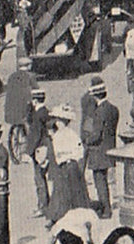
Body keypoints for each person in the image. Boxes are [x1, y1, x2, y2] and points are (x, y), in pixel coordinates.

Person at [46, 105, 91, 224]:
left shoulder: (70, 134)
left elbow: (80, 151)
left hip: (70, 166)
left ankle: (71, 215)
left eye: (59, 120)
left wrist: (69, 156)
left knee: (71, 191)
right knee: (61, 191)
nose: (57, 123)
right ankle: (60, 215)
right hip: (63, 166)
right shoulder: (57, 135)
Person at [80, 77, 118, 217]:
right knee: (105, 181)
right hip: (109, 149)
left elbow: (96, 135)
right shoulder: (114, 109)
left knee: (100, 182)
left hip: (98, 152)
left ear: (95, 95)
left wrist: (87, 141)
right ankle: (106, 207)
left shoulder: (98, 112)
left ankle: (106, 209)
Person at [25, 88, 52, 215]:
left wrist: (28, 152)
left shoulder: (37, 115)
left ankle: (43, 206)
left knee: (39, 178)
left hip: (39, 150)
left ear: (34, 100)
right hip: (47, 147)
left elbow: (34, 135)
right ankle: (46, 204)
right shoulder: (45, 112)